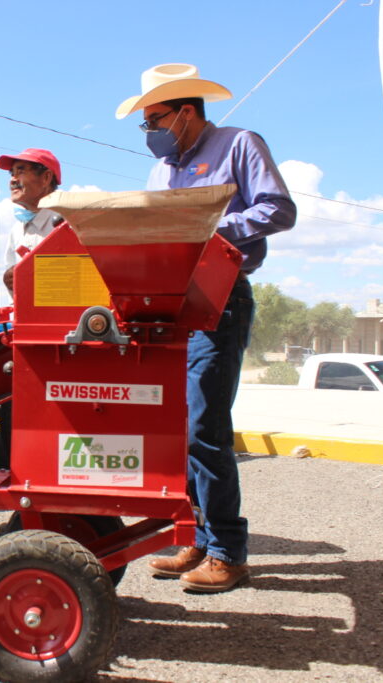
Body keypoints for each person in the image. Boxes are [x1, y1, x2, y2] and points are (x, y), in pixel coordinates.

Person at [116, 63, 296, 592]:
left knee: (204, 428)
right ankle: (195, 537)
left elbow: (279, 209)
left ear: (187, 113)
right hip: (169, 303)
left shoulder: (240, 145)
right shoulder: (161, 172)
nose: (149, 131)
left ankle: (228, 552)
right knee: (176, 427)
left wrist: (214, 233)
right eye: (144, 122)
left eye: (155, 119)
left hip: (219, 298)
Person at [0, 148, 63, 296]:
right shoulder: (17, 229)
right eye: (12, 173)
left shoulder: (70, 223)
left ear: (46, 177)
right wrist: (9, 279)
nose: (13, 180)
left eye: (20, 172)